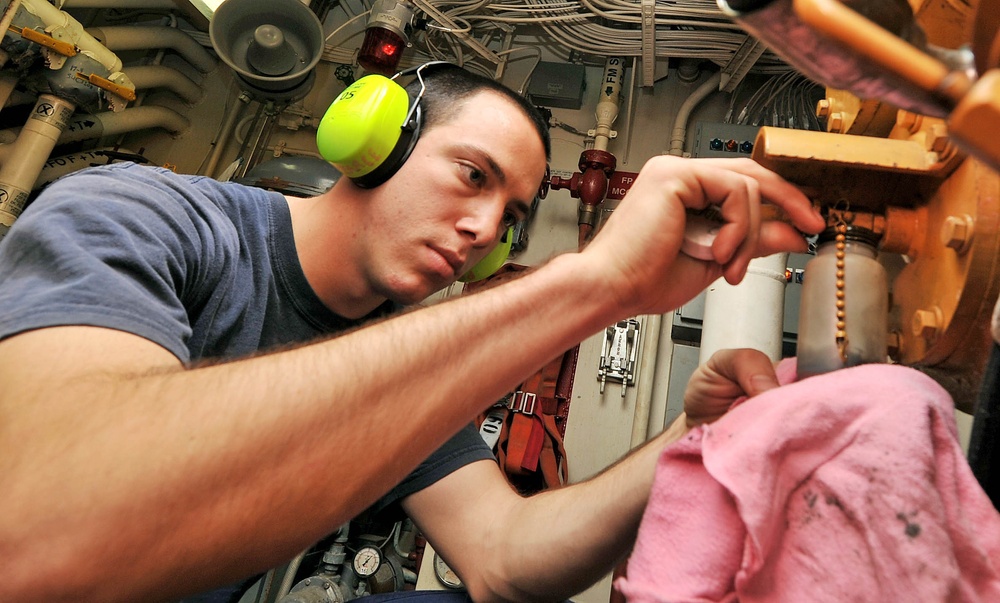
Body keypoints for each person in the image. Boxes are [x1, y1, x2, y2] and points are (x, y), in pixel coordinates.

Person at [0, 64, 825, 603]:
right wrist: (594, 285)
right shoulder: (144, 215)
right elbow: (44, 533)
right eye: (473, 175)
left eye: (509, 218)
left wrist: (693, 437)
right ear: (372, 141)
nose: (482, 228)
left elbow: (503, 558)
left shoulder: (404, 360)